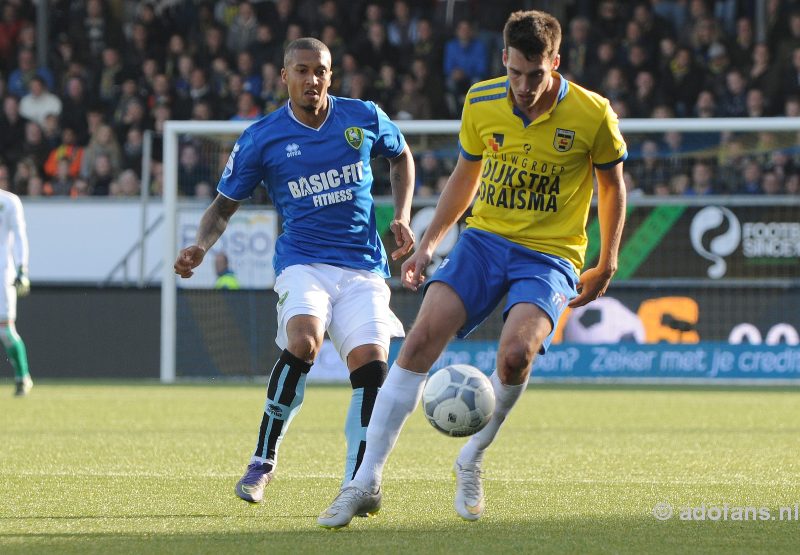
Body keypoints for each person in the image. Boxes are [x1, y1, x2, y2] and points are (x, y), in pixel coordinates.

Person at [318, 9, 628, 528]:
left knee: (513, 357)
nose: (524, 86)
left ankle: (472, 457)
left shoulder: (593, 114)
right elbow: (467, 174)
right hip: (483, 242)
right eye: (515, 73)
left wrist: (607, 261)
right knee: (418, 343)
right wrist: (429, 244)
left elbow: (612, 185)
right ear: (503, 59)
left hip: (550, 254)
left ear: (556, 62)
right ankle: (364, 482)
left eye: (536, 74)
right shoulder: (481, 101)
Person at [173, 37, 415, 504]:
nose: (312, 80)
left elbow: (400, 155)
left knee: (371, 367)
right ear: (284, 76)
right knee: (304, 341)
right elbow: (223, 207)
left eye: (320, 71)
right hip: (302, 263)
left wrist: (401, 214)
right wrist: (201, 246)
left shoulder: (362, 116)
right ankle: (263, 460)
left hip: (363, 267)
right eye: (301, 71)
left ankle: (358, 480)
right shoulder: (262, 137)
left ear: (331, 75)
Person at [0, 187, 31, 395]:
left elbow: (20, 236)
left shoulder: (9, 202)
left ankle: (23, 377)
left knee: (5, 330)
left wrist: (22, 269)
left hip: (2, 273)